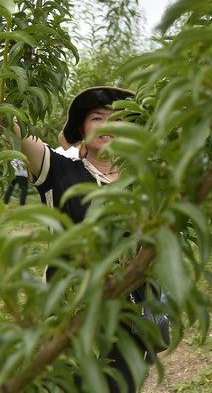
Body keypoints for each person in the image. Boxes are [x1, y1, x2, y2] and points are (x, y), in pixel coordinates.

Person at [13, 85, 146, 392]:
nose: (108, 125)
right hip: (69, 313)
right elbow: (15, 130)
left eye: (118, 119)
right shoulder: (60, 171)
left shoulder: (144, 180)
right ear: (82, 129)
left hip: (126, 314)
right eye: (97, 118)